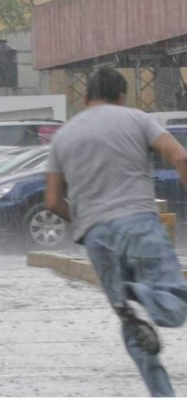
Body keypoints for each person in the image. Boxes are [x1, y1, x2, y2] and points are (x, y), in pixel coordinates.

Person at [45, 68, 187, 396]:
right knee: (176, 304)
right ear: (122, 97)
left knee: (134, 328)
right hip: (139, 223)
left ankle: (162, 394)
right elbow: (179, 155)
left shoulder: (63, 136)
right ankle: (138, 293)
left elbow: (52, 201)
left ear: (85, 98)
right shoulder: (137, 119)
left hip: (96, 237)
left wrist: (84, 220)